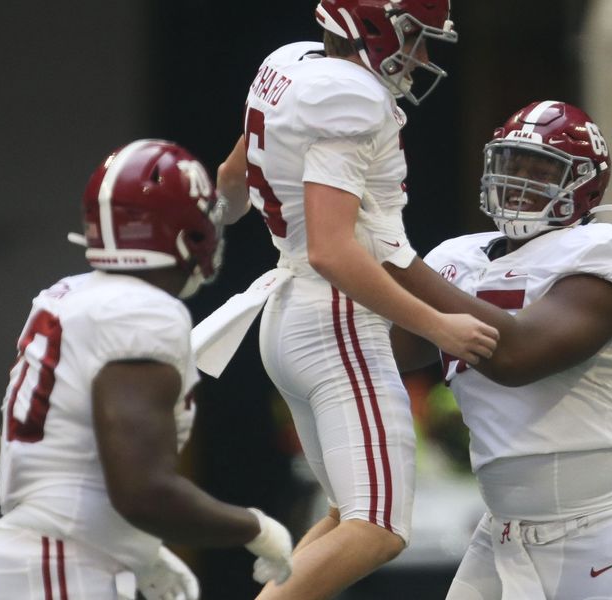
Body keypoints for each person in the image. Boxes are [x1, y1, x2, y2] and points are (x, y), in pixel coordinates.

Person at [214, 1, 499, 598]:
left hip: (289, 315)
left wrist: (227, 226)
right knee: (379, 528)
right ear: (377, 27)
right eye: (415, 39)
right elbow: (333, 252)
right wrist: (440, 327)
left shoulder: (288, 62)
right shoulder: (351, 96)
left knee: (351, 515)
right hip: (334, 318)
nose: (421, 58)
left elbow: (230, 183)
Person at [0, 140, 293, 600]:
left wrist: (126, 546)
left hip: (31, 560)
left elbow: (21, 450)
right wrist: (254, 528)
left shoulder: (66, 295)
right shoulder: (143, 312)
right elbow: (144, 494)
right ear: (186, 233)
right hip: (62, 569)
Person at [391, 100, 612, 600]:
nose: (519, 181)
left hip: (598, 528)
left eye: (541, 169)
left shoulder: (605, 251)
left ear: (586, 184)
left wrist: (396, 261)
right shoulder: (454, 257)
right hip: (503, 530)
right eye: (512, 164)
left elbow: (517, 357)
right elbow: (392, 354)